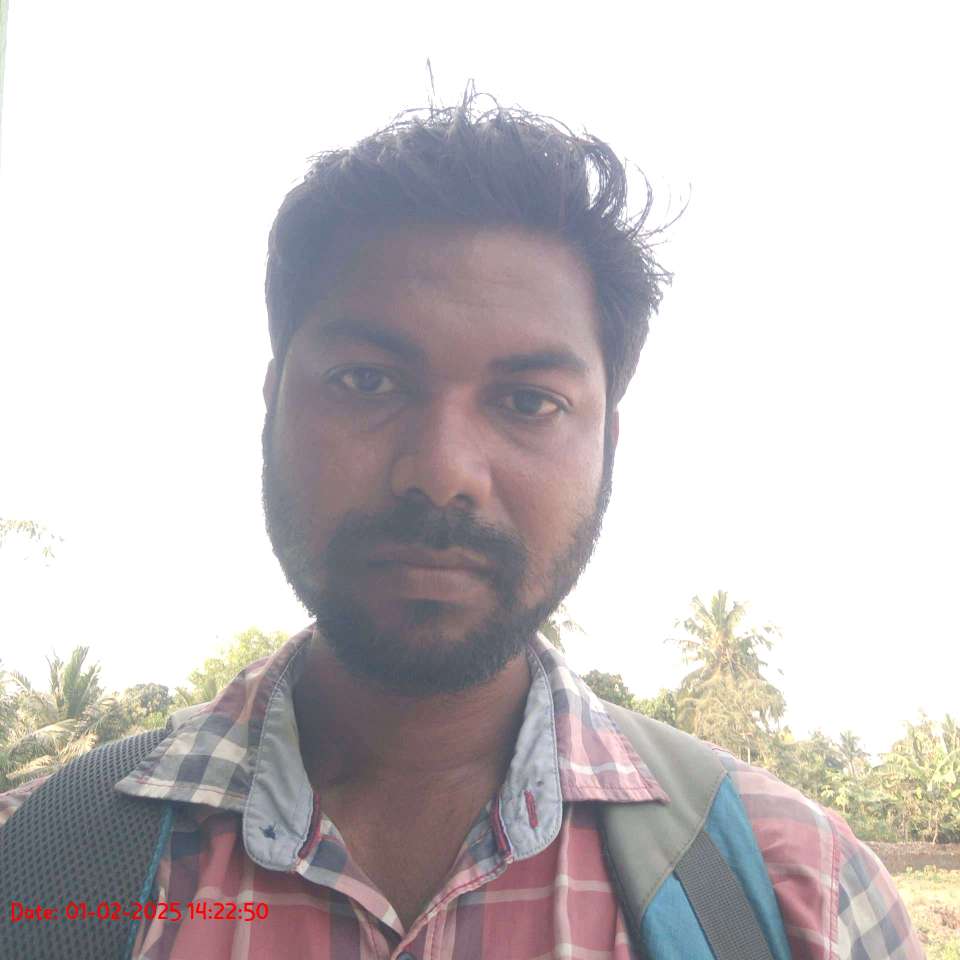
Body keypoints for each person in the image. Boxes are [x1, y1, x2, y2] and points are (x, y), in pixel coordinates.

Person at [0, 93, 922, 959]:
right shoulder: (33, 862)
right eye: (367, 381)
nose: (442, 471)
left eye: (528, 400)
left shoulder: (800, 895)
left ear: (607, 444)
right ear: (274, 406)